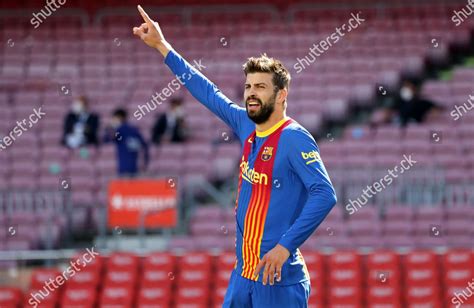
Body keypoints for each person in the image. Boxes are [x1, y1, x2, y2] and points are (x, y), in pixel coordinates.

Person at [133, 6, 337, 307]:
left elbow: (325, 194)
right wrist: (163, 47)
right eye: (249, 86)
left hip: (278, 280)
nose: (251, 93)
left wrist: (285, 247)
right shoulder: (245, 124)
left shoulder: (294, 138)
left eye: (261, 87)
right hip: (243, 274)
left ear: (281, 95)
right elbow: (207, 92)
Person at [104, 108, 149, 177]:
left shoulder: (120, 130)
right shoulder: (135, 130)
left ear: (120, 118)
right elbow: (145, 145)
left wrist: (110, 128)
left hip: (123, 167)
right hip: (135, 167)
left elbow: (107, 139)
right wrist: (145, 162)